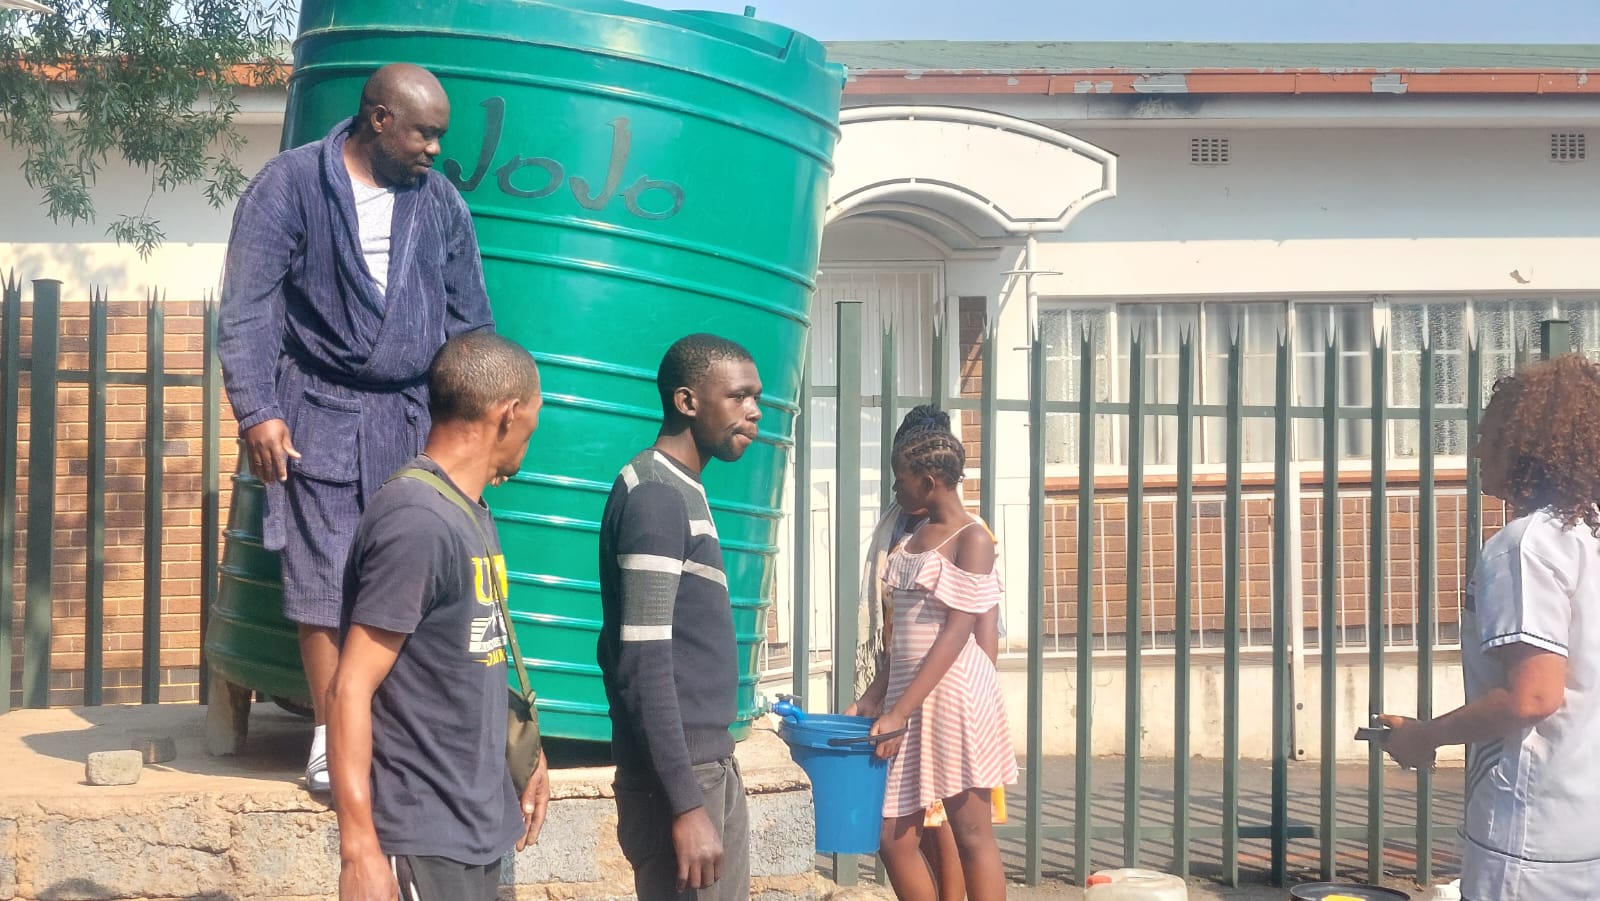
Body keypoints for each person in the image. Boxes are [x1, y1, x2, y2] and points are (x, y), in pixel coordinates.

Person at [217, 62, 494, 792]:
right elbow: (248, 308)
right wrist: (258, 409)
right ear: (379, 120)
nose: (436, 149)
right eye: (424, 134)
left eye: (440, 136)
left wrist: (482, 427)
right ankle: (328, 734)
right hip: (316, 410)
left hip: (412, 415)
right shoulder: (290, 185)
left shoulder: (440, 203)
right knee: (323, 574)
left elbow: (470, 322)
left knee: (408, 568)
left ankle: (395, 732)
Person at [327, 332, 549, 901]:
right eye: (535, 414)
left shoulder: (467, 509)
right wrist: (359, 850)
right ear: (509, 413)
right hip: (423, 835)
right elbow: (349, 687)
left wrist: (527, 755)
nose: (534, 430)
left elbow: (467, 659)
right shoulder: (416, 520)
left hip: (475, 827)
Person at [1378, 354, 1600, 900]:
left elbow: (1532, 697)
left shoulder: (1525, 546)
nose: (1477, 451)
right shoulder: (1588, 536)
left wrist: (1423, 736)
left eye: (1488, 436)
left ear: (1528, 445)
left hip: (1532, 836)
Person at [597, 333, 763, 900]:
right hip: (682, 779)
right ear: (687, 402)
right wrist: (686, 804)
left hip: (705, 765)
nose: (754, 411)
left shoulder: (680, 487)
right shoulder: (656, 496)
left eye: (756, 398)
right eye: (738, 396)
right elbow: (641, 662)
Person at [847, 407, 1007, 901]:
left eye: (900, 481)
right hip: (909, 697)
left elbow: (958, 633)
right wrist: (874, 698)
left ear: (929, 482)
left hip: (956, 700)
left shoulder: (973, 538)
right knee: (891, 836)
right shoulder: (913, 538)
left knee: (970, 835)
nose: (895, 490)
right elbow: (901, 638)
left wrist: (899, 710)